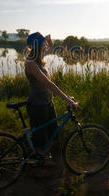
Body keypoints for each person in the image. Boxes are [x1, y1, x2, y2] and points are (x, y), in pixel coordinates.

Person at [24, 32, 80, 177]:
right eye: (43, 43)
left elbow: (50, 47)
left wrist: (49, 40)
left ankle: (44, 158)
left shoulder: (38, 57)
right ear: (38, 45)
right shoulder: (31, 63)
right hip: (37, 105)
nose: (45, 45)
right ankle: (34, 168)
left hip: (47, 102)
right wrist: (68, 100)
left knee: (53, 134)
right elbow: (48, 84)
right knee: (40, 137)